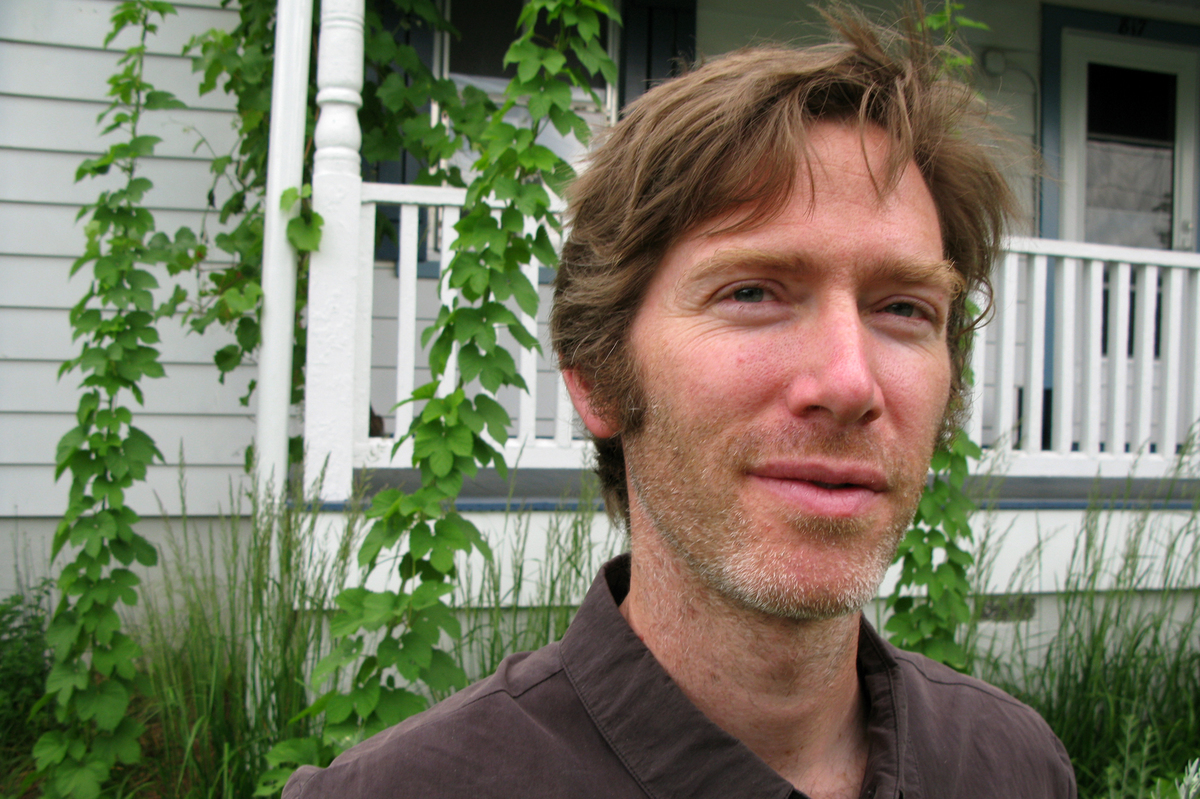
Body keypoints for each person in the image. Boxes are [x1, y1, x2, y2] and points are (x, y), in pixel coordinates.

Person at [284, 8, 1076, 799]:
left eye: (904, 308)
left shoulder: (1013, 765)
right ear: (596, 372)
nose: (848, 382)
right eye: (754, 291)